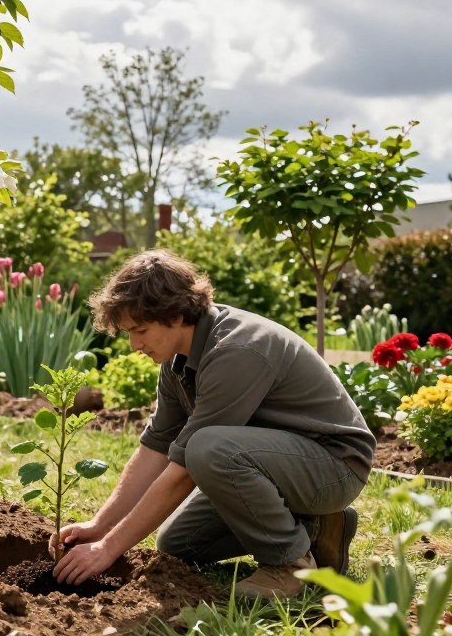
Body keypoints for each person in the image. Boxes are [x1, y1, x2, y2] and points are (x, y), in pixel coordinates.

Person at [52, 249, 375, 599]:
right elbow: (156, 447)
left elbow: (184, 469)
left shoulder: (238, 349)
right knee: (178, 542)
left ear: (175, 314)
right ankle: (318, 525)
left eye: (141, 330)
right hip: (281, 464)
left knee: (206, 449)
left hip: (334, 466)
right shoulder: (177, 362)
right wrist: (100, 527)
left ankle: (289, 566)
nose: (134, 345)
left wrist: (109, 549)